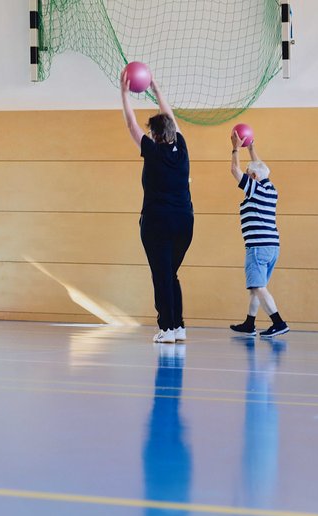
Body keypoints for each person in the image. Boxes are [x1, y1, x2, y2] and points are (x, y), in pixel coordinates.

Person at [120, 72, 193, 343]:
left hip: (158, 222)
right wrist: (157, 89)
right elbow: (170, 116)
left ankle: (167, 329)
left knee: (161, 275)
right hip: (185, 222)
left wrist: (124, 93)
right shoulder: (182, 147)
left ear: (155, 135)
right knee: (170, 274)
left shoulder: (152, 150)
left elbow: (130, 124)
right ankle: (178, 325)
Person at [228, 133, 289, 338]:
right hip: (273, 247)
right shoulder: (271, 189)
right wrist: (251, 148)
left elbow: (234, 170)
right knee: (257, 287)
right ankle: (249, 323)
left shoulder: (253, 189)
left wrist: (236, 148)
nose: (246, 174)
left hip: (258, 247)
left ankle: (278, 322)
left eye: (249, 173)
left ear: (253, 177)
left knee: (258, 286)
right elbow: (261, 168)